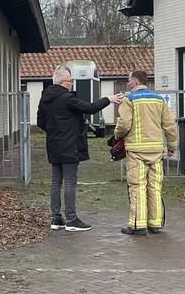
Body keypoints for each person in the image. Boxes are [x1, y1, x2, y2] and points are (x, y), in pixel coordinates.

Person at [37, 65, 123, 232]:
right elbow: (90, 108)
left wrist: (55, 132)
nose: (71, 84)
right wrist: (109, 99)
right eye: (70, 81)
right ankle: (71, 219)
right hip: (69, 145)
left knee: (56, 181)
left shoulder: (44, 99)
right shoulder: (66, 98)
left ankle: (56, 218)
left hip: (54, 145)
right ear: (62, 82)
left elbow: (40, 122)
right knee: (70, 181)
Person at [113, 70, 179, 235]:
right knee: (155, 187)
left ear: (135, 81)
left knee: (137, 187)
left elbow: (124, 124)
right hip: (156, 150)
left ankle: (137, 225)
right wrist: (172, 146)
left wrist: (117, 136)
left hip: (136, 151)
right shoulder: (159, 100)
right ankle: (155, 223)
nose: (127, 83)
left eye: (128, 80)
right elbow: (170, 125)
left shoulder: (129, 100)